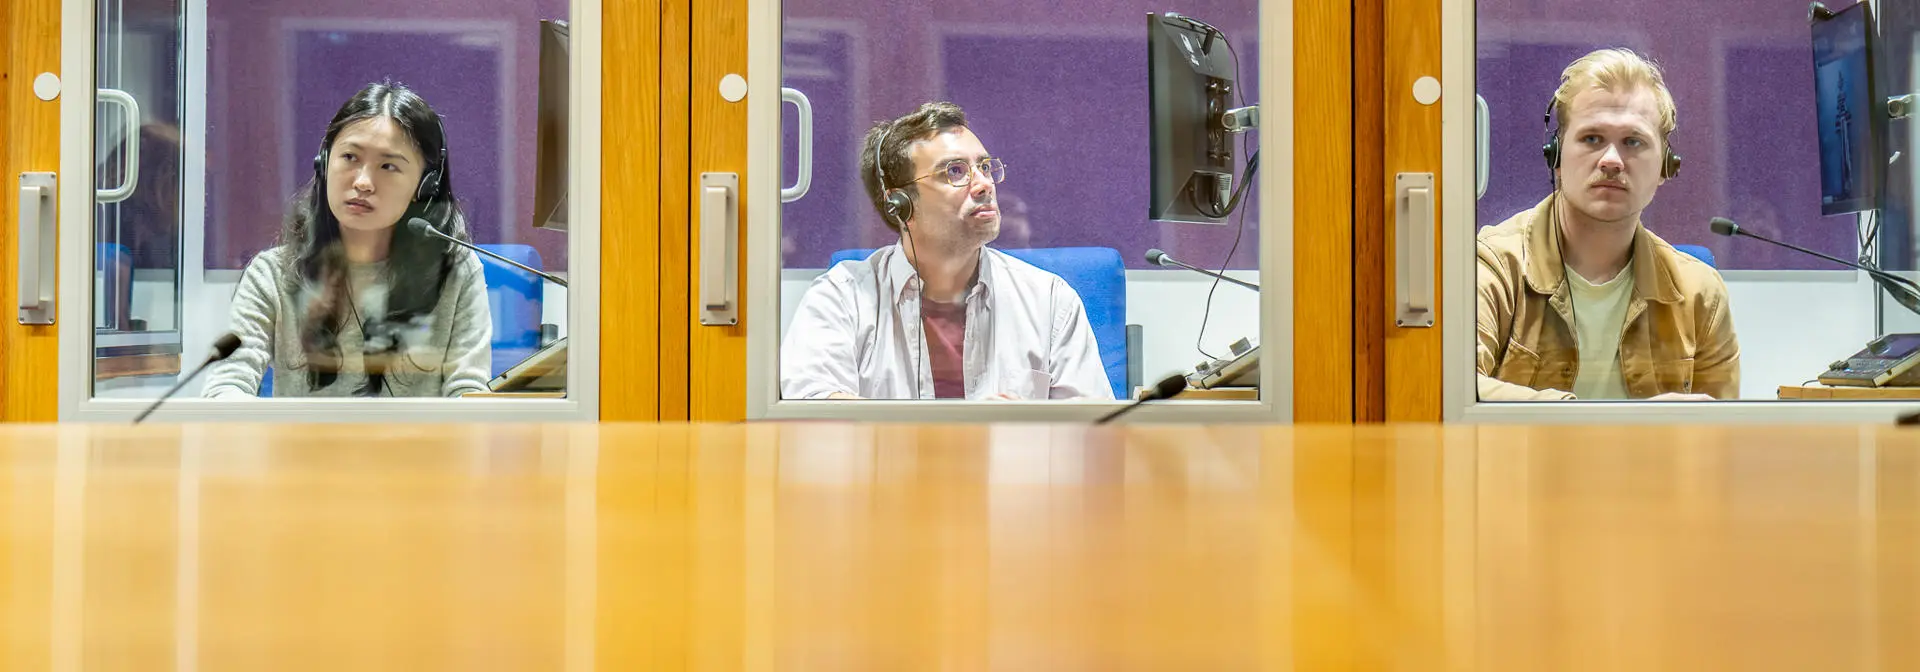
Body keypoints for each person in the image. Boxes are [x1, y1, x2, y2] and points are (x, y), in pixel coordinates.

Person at [781, 101, 1111, 400]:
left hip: (1013, 468)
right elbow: (812, 409)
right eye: (955, 172)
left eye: (984, 167)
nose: (984, 184)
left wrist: (1026, 433)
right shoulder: (843, 296)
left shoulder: (1050, 301)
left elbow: (1097, 437)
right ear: (899, 203)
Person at [1477, 48, 1739, 401]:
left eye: (1633, 142)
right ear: (1555, 155)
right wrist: (1602, 426)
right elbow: (1453, 390)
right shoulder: (1492, 268)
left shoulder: (1700, 294)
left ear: (1666, 167)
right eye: (1592, 139)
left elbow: (1723, 437)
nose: (1612, 161)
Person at [203, 81, 491, 397]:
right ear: (325, 164)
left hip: (417, 448)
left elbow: (468, 394)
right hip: (302, 447)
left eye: (388, 165)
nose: (364, 182)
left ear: (425, 187)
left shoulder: (456, 272)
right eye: (350, 157)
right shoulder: (273, 273)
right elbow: (227, 384)